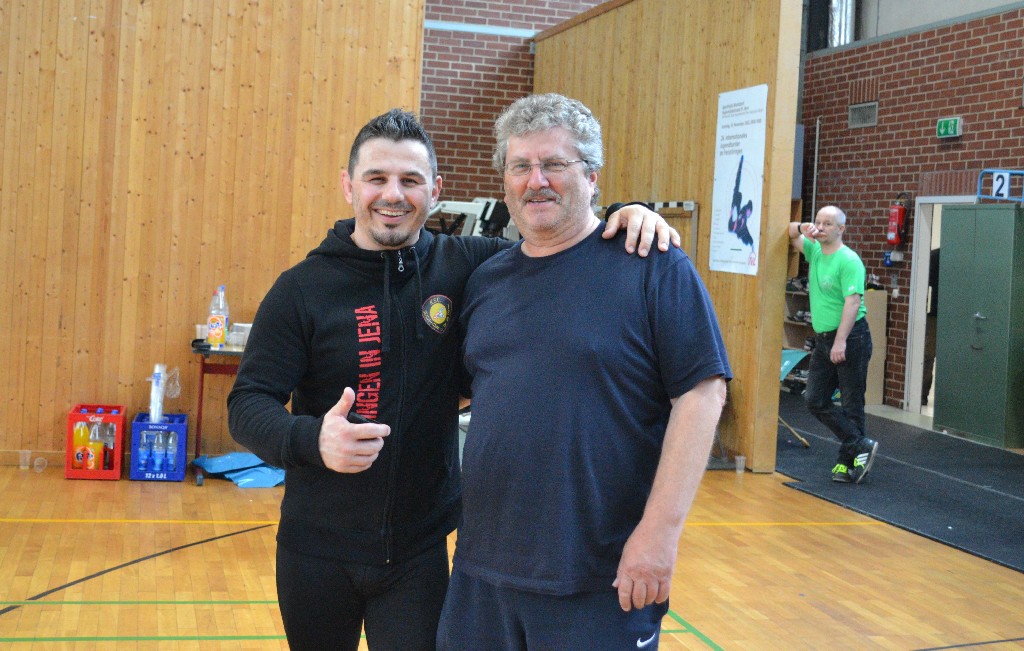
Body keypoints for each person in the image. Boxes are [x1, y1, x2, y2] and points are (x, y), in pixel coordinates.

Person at [226, 108, 680, 651]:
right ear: (349, 186)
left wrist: (627, 214)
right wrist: (312, 440)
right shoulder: (301, 288)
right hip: (315, 550)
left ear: (436, 190)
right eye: (376, 178)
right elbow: (247, 403)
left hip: (419, 554)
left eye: (410, 180)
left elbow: (558, 239)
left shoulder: (473, 266)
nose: (392, 195)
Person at [437, 94, 731, 651]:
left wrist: (659, 535)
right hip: (482, 570)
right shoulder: (485, 280)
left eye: (554, 164)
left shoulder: (652, 263)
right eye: (521, 166)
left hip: (603, 574)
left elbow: (702, 394)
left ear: (592, 177)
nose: (536, 181)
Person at [788, 206, 879, 483]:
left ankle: (847, 464)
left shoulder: (849, 260)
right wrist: (803, 227)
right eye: (818, 222)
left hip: (851, 338)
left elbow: (853, 303)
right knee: (814, 399)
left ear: (841, 229)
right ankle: (859, 444)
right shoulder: (815, 251)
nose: (821, 227)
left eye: (828, 223)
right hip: (824, 339)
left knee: (852, 403)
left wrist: (840, 342)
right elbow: (789, 233)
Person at [922, 247, 939, 406]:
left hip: (934, 314)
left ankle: (922, 396)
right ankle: (922, 395)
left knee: (928, 356)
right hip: (935, 315)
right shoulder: (934, 257)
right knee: (928, 356)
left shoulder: (933, 256)